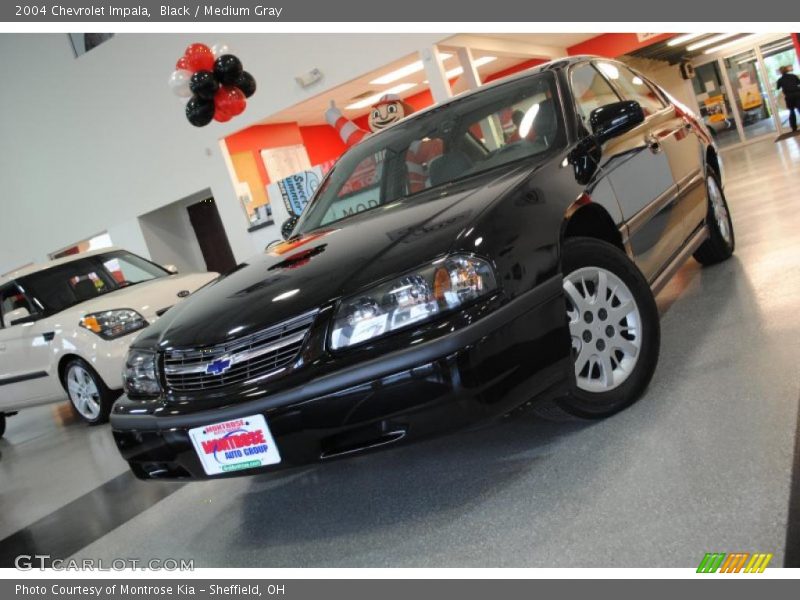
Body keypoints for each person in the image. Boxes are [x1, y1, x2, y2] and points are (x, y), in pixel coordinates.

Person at [776, 65, 800, 132]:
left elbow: (777, 88)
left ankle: (794, 127)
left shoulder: (780, 80)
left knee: (792, 111)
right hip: (797, 94)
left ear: (780, 72)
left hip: (789, 97)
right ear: (787, 70)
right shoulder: (793, 76)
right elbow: (798, 82)